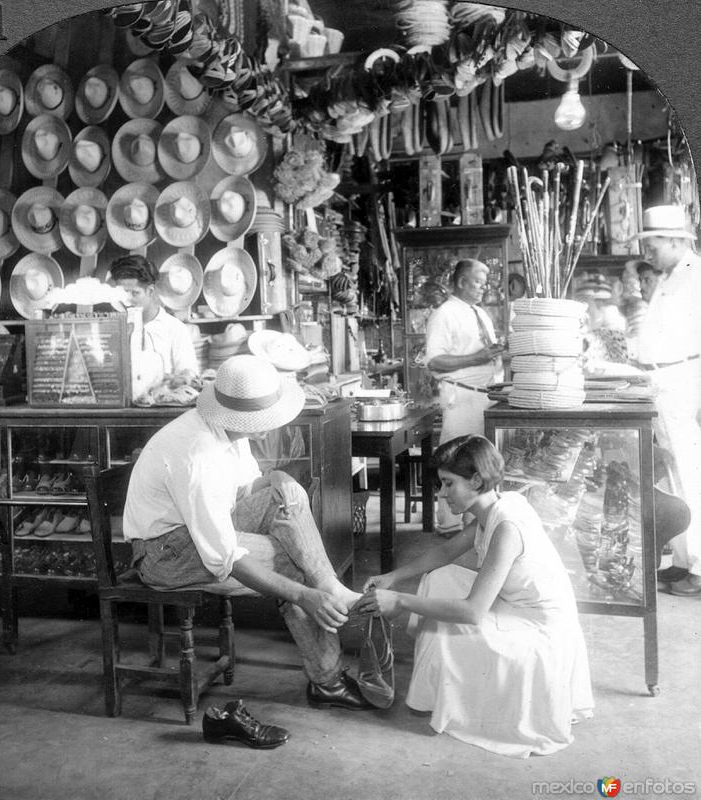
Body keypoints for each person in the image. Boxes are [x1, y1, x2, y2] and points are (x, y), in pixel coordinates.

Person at [122, 354, 371, 747]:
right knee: (291, 564)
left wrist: (279, 476)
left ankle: (331, 586)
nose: (266, 428)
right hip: (164, 552)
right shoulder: (197, 455)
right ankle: (328, 679)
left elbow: (250, 486)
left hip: (198, 530)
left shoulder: (226, 429)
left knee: (289, 497)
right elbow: (224, 559)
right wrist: (305, 594)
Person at [358, 435, 594, 758]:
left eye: (447, 484)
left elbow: (471, 611)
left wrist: (400, 601)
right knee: (437, 578)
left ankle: (452, 696)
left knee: (445, 625)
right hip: (518, 605)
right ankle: (432, 687)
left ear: (477, 480)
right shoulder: (495, 505)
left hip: (541, 630)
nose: (441, 494)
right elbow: (446, 551)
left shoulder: (507, 526)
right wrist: (393, 577)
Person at [634, 205, 701, 596]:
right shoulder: (669, 277)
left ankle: (700, 568)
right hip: (663, 383)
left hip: (685, 382)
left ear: (677, 240)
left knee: (693, 476)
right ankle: (681, 559)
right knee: (673, 477)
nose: (649, 250)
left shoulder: (695, 275)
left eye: (653, 242)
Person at [425, 259, 505, 533]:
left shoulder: (479, 313)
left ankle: (473, 523)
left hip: (485, 396)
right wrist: (477, 357)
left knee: (477, 465)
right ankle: (449, 525)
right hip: (462, 399)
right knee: (455, 464)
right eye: (478, 282)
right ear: (461, 282)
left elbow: (484, 353)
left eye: (485, 283)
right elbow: (434, 362)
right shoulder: (444, 313)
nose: (484, 288)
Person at [109, 254, 198, 377]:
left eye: (135, 293)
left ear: (150, 291)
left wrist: (181, 379)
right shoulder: (115, 329)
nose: (127, 300)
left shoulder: (175, 329)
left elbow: (189, 377)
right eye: (123, 293)